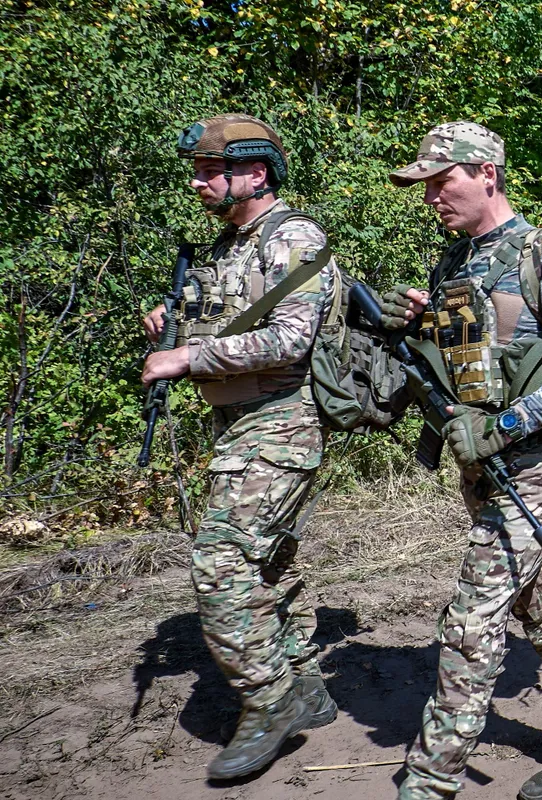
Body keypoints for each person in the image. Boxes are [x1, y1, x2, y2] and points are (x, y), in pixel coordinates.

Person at [380, 122, 542, 800]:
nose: (431, 197)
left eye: (442, 182)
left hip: (535, 460)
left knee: (473, 616)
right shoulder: (455, 263)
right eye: (426, 186)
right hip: (478, 463)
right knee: (541, 602)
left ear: (486, 172)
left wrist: (510, 424)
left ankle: (433, 777)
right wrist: (425, 323)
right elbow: (472, 359)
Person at [142, 113, 339, 779]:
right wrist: (173, 327)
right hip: (238, 423)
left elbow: (289, 338)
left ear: (255, 172)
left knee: (221, 563)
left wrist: (189, 356)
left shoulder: (294, 238)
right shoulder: (227, 246)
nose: (198, 182)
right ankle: (306, 686)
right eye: (196, 171)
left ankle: (269, 700)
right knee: (268, 564)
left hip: (282, 419)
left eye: (210, 171)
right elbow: (229, 319)